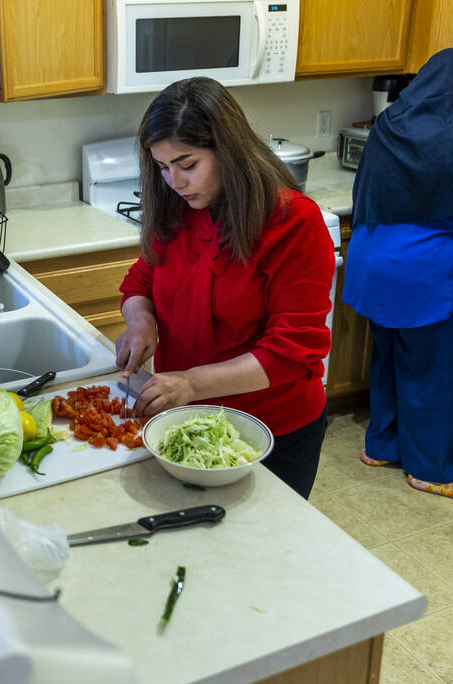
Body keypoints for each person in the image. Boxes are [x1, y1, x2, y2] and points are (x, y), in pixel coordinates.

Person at [115, 77, 336, 499]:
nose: (174, 182)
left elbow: (292, 352)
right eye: (162, 168)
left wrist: (193, 383)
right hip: (186, 420)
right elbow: (141, 281)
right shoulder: (180, 210)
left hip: (270, 433)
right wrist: (141, 322)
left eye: (187, 164)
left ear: (228, 151)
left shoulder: (292, 222)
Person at [343, 47, 453, 503]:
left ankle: (383, 446)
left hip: (372, 264)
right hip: (422, 276)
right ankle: (433, 469)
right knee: (436, 372)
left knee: (390, 359)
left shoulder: (386, 126)